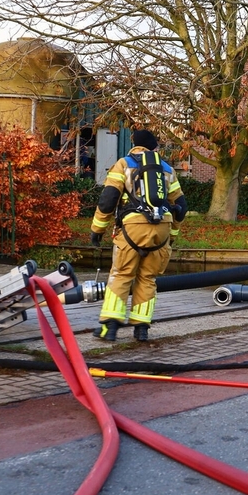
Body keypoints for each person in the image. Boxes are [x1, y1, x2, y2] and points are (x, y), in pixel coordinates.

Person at [90, 129, 188, 342]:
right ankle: (141, 329)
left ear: (134, 145)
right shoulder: (167, 169)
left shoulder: (124, 164)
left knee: (122, 275)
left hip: (132, 229)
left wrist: (97, 230)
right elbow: (181, 205)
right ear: (154, 147)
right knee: (148, 278)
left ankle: (110, 328)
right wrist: (171, 235)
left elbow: (108, 200)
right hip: (161, 229)